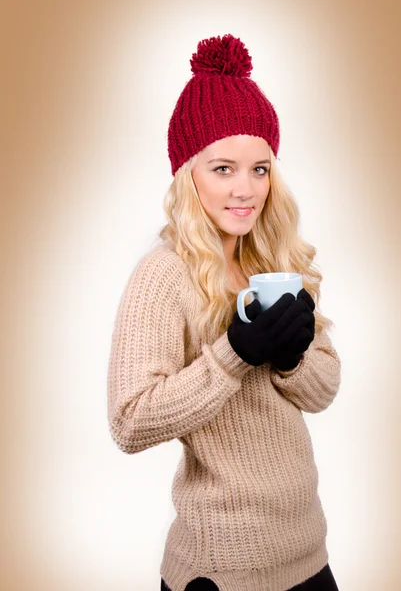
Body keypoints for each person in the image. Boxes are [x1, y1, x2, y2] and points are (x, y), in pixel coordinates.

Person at [107, 34, 341, 591]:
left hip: (308, 554)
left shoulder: (277, 263)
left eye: (260, 169)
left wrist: (292, 359)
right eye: (223, 168)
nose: (245, 189)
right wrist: (234, 354)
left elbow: (324, 390)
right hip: (222, 570)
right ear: (189, 174)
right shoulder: (164, 275)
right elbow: (129, 422)